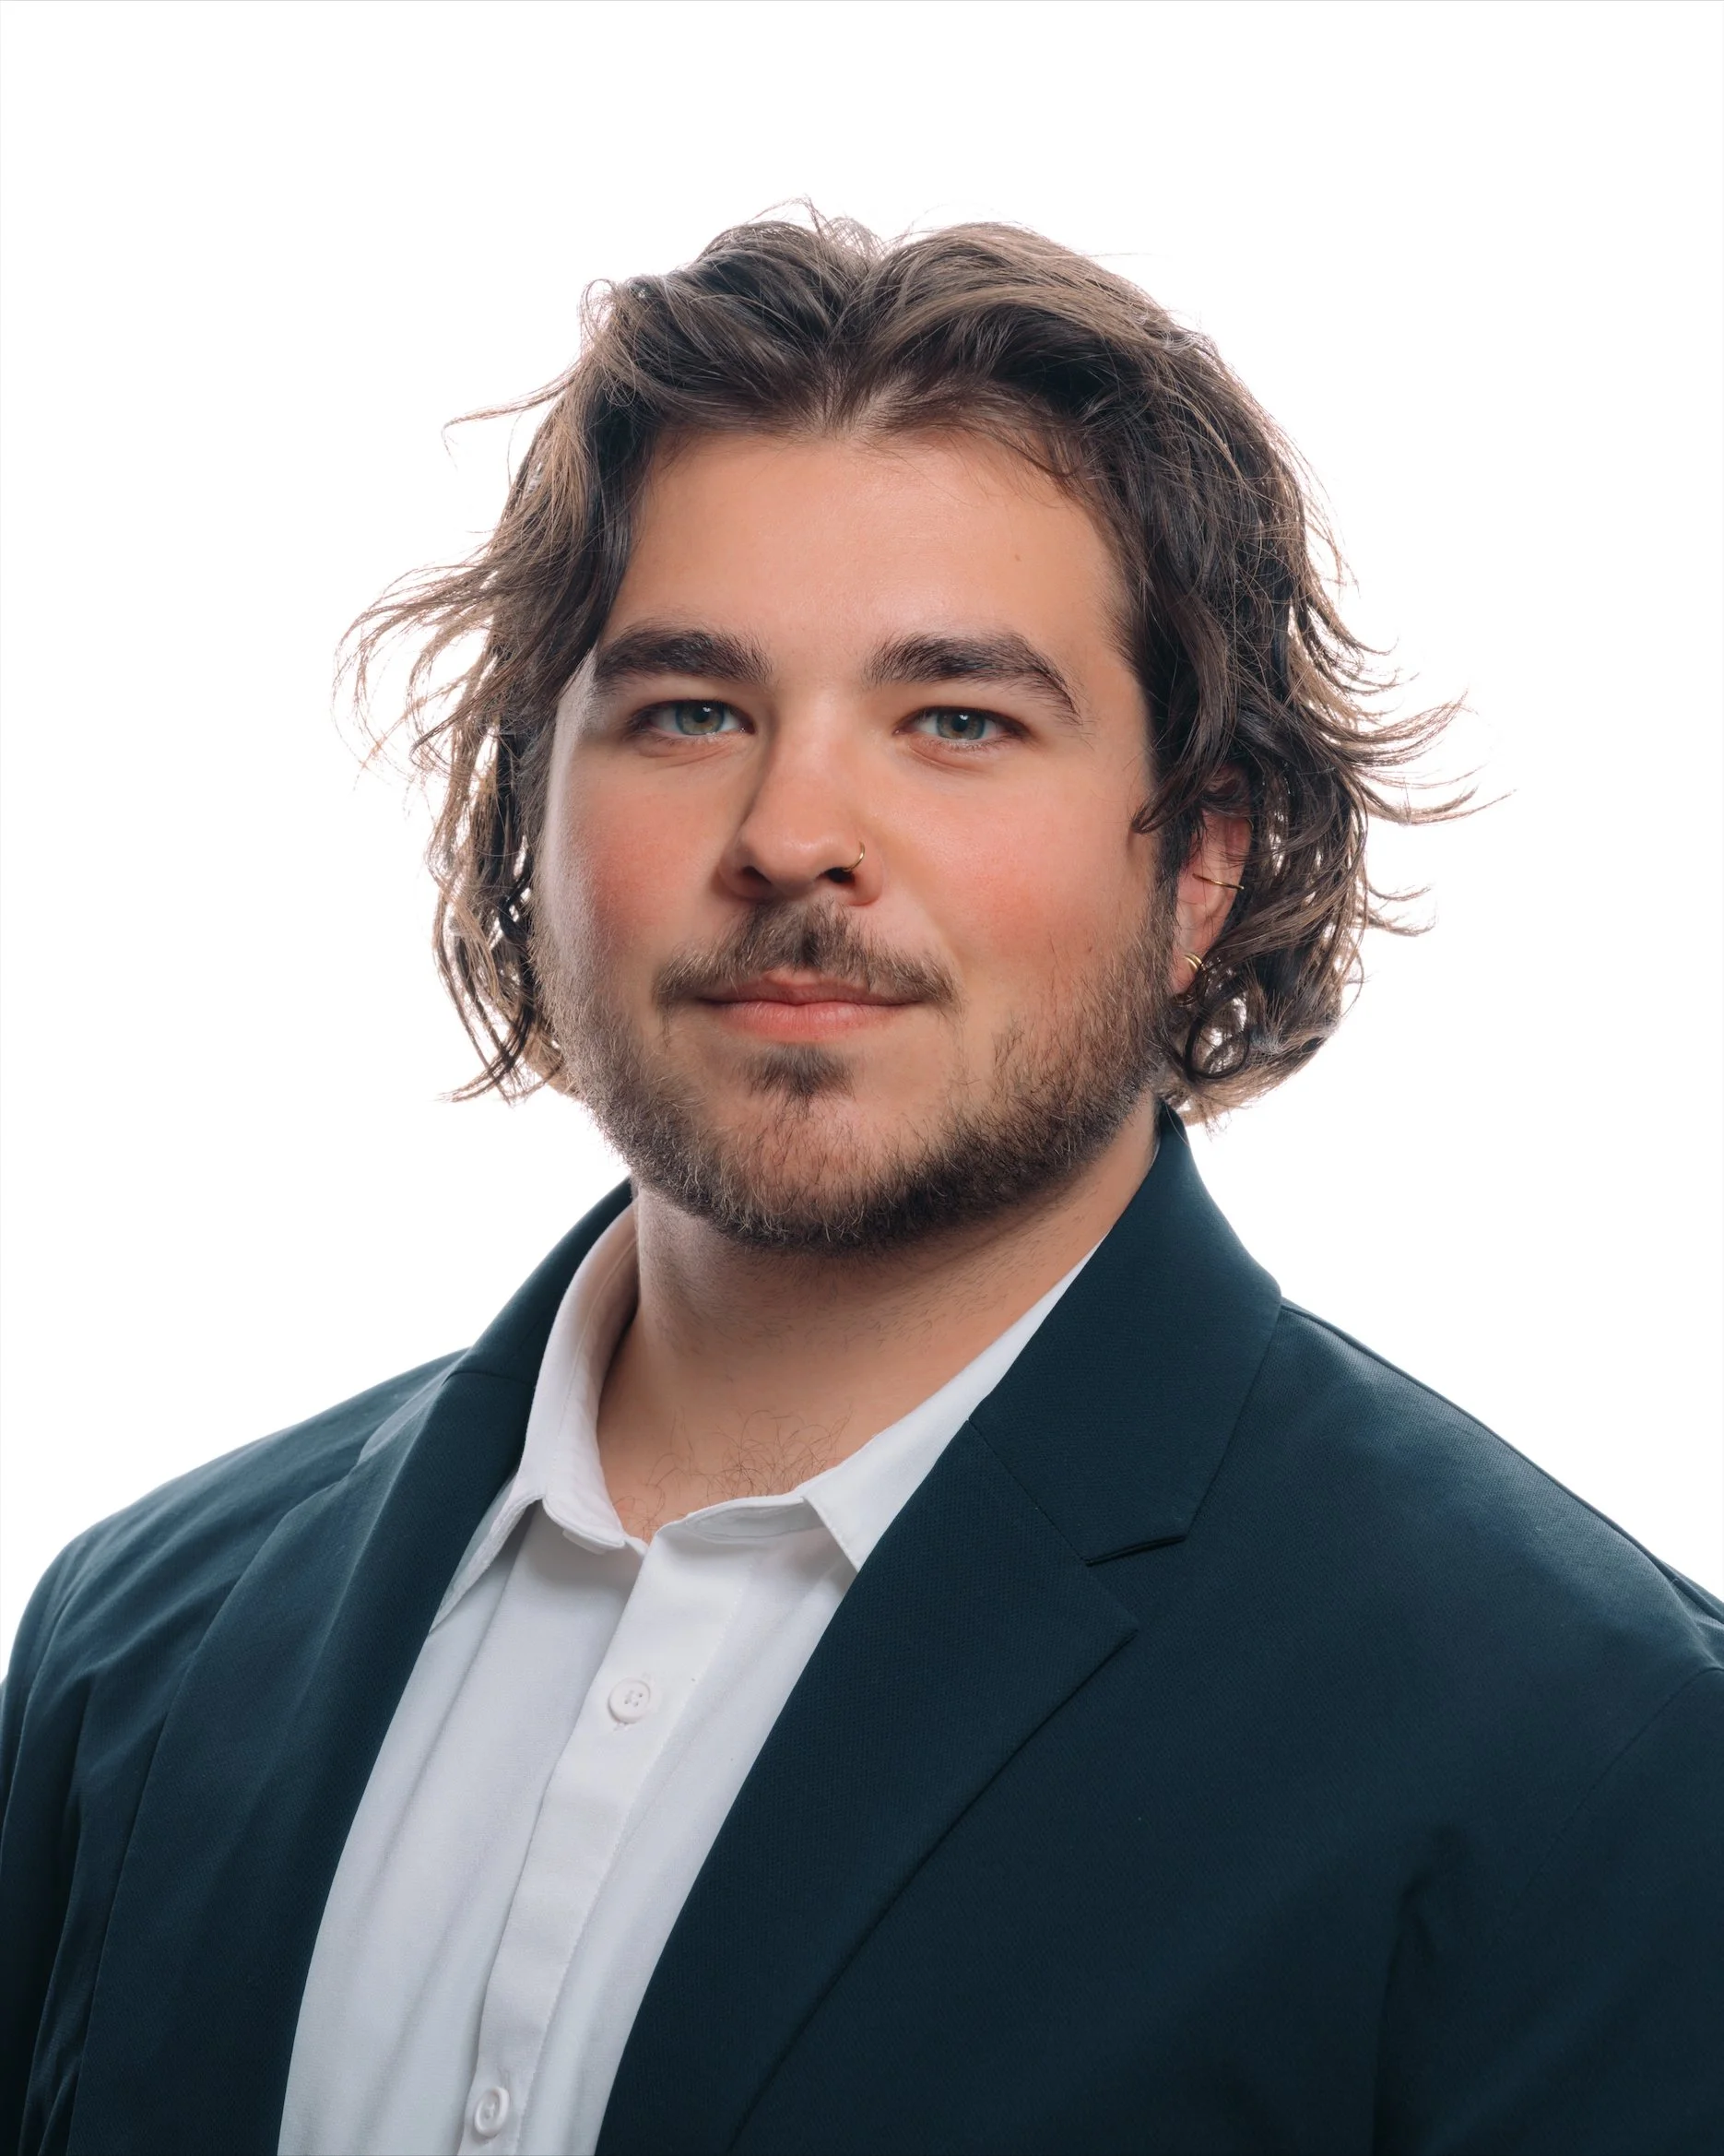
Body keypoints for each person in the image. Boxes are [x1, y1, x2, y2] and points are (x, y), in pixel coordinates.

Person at [2, 213, 1719, 2156]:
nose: (793, 832)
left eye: (956, 721)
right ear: (527, 816)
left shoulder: (1587, 1755)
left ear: (1201, 864)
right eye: (689, 711)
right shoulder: (137, 1642)